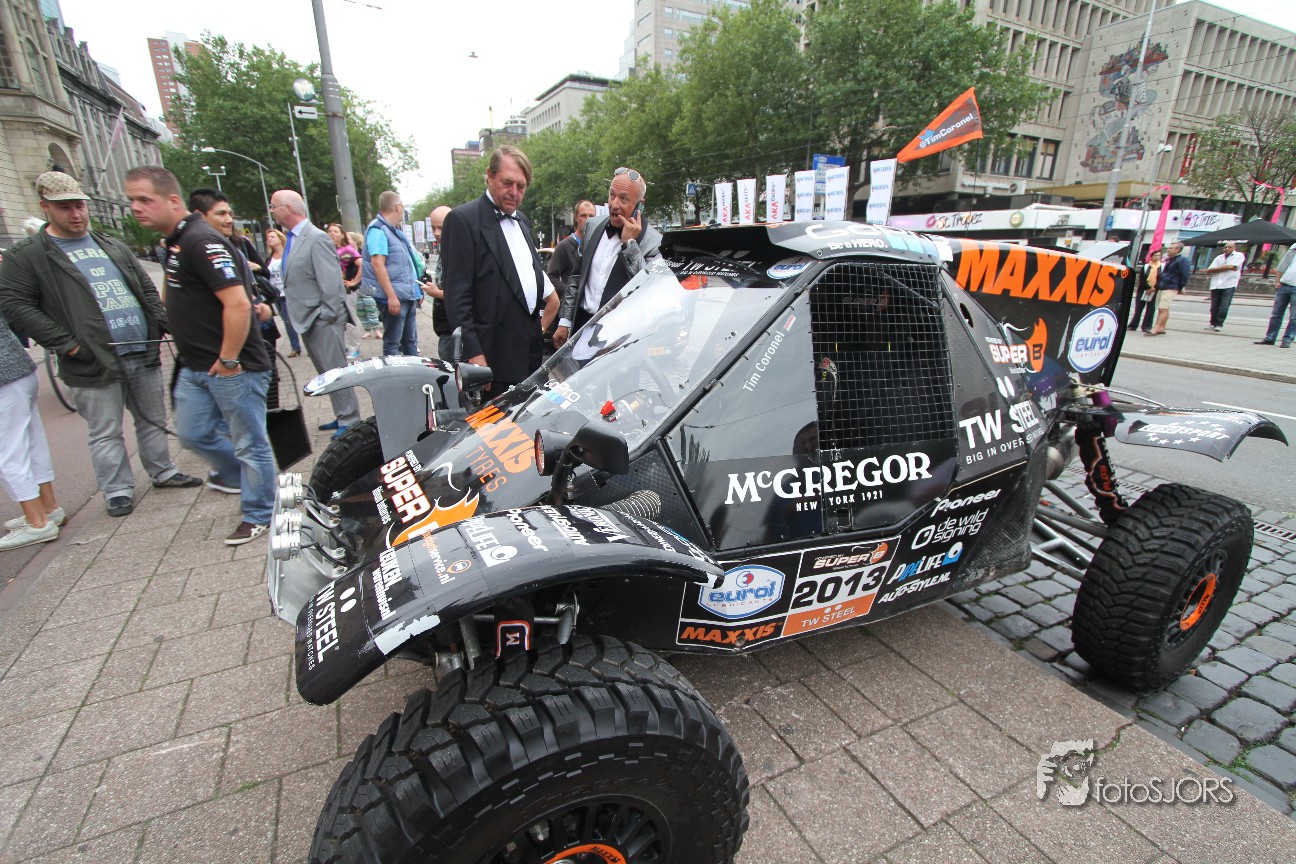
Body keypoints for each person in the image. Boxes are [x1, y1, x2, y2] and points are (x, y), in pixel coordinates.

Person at [0, 171, 201, 518]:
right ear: (45, 206)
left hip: (140, 347)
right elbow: (16, 305)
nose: (76, 213)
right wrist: (69, 345)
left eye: (79, 205)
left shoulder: (109, 244)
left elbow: (144, 286)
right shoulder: (29, 255)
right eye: (65, 207)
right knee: (105, 430)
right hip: (91, 358)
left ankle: (163, 470)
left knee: (153, 418)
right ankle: (118, 489)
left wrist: (162, 323)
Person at [126, 166, 276, 546]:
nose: (136, 208)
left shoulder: (200, 240)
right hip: (196, 365)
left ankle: (262, 510)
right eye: (132, 200)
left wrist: (229, 360)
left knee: (250, 443)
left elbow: (237, 304)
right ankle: (248, 480)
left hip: (231, 367)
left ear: (172, 200)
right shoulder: (176, 242)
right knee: (192, 434)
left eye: (145, 199)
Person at [441, 145, 559, 390]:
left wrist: (537, 332)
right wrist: (474, 355)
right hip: (492, 359)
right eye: (507, 183)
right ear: (490, 175)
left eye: (521, 186)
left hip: (529, 357)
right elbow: (457, 298)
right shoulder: (463, 220)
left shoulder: (523, 221)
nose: (514, 192)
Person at [270, 189, 361, 436]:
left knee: (335, 370)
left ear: (289, 208)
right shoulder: (294, 238)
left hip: (321, 318)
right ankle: (342, 414)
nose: (272, 211)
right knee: (326, 372)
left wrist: (326, 316)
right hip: (308, 319)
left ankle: (350, 420)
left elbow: (331, 282)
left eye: (274, 206)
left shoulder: (316, 238)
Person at [189, 188, 281, 410]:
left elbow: (251, 287)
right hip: (224, 348)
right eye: (221, 214)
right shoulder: (194, 247)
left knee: (262, 404)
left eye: (230, 214)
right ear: (200, 216)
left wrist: (261, 304)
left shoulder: (237, 246)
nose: (229, 220)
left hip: (251, 341)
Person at [553, 169, 662, 348]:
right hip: (581, 327)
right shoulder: (593, 225)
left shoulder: (654, 242)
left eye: (624, 199)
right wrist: (565, 322)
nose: (614, 204)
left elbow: (647, 290)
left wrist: (630, 245)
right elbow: (577, 277)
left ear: (639, 205)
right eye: (612, 195)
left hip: (620, 338)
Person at [0, 308, 62, 550]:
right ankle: (48, 507)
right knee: (32, 443)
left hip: (4, 381)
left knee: (8, 453)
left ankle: (37, 522)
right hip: (20, 370)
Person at [359, 192, 424, 357]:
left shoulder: (392, 230)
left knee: (410, 341)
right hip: (395, 297)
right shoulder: (378, 230)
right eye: (402, 206)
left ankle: (412, 371)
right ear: (397, 207)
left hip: (405, 295)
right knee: (393, 343)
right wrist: (391, 296)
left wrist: (416, 291)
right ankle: (394, 371)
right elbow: (377, 263)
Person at [422, 205, 455, 360]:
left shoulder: (458, 251)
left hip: (454, 328)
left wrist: (436, 293)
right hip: (446, 327)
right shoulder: (446, 248)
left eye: (441, 228)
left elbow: (465, 294)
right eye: (433, 228)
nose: (436, 233)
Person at [327, 223, 364, 359]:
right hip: (331, 290)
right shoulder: (327, 249)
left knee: (350, 319)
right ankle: (342, 346)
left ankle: (354, 348)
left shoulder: (347, 250)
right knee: (336, 319)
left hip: (347, 290)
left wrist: (354, 281)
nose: (332, 234)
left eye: (335, 231)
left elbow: (362, 264)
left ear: (342, 234)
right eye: (330, 231)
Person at [265, 229, 300, 356]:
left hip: (292, 292)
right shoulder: (269, 258)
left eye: (272, 236)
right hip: (278, 294)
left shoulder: (288, 254)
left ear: (280, 239)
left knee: (300, 319)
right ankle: (295, 347)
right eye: (268, 237)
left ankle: (310, 344)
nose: (269, 239)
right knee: (287, 321)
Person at [1255, 245, 1295, 348]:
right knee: (1276, 314)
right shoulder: (1294, 248)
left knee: (1294, 317)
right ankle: (1270, 337)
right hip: (1284, 284)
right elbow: (1282, 265)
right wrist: (1277, 281)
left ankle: (1287, 339)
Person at [1147, 241, 1190, 336]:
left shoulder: (1182, 260)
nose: (1168, 250)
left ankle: (1156, 328)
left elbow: (1185, 275)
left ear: (1177, 250)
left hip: (1171, 286)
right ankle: (1161, 327)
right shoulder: (1171, 259)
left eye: (1170, 248)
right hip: (1164, 285)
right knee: (1164, 308)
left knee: (1163, 308)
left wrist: (1180, 286)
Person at [1201, 241, 1245, 332]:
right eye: (1225, 247)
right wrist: (1226, 268)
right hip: (1216, 284)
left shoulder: (1239, 255)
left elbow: (1231, 267)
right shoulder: (1219, 257)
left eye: (1229, 247)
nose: (1227, 249)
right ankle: (1212, 323)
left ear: (1234, 248)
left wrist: (1218, 269)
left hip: (1229, 284)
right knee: (1214, 306)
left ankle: (1219, 324)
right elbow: (1210, 270)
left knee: (1224, 305)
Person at [347, 230, 382, 341]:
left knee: (370, 306)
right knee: (360, 309)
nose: (346, 241)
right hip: (356, 287)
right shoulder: (347, 255)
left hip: (367, 284)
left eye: (348, 239)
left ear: (355, 241)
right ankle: (367, 330)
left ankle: (376, 330)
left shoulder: (363, 252)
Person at [1130, 249, 1160, 334]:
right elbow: (1142, 279)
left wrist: (1154, 288)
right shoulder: (1146, 266)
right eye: (1155, 255)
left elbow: (1161, 279)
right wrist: (1148, 287)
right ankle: (1133, 325)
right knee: (1139, 308)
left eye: (1158, 255)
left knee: (1151, 309)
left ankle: (1147, 326)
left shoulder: (1161, 267)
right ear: (1151, 257)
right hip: (1143, 290)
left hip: (1155, 291)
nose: (1157, 257)